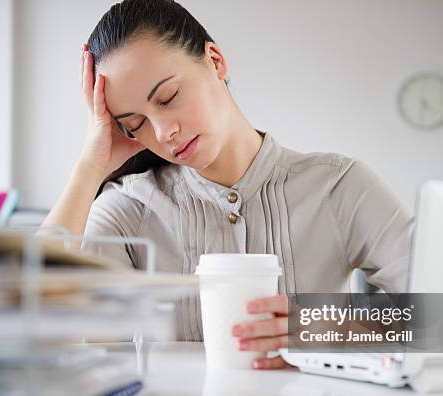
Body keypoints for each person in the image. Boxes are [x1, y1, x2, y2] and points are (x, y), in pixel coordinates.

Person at [42, 0, 414, 370]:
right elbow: (30, 323)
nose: (162, 132)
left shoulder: (337, 187)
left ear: (215, 61)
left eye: (168, 97)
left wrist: (331, 329)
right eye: (134, 124)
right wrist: (90, 166)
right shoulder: (128, 209)